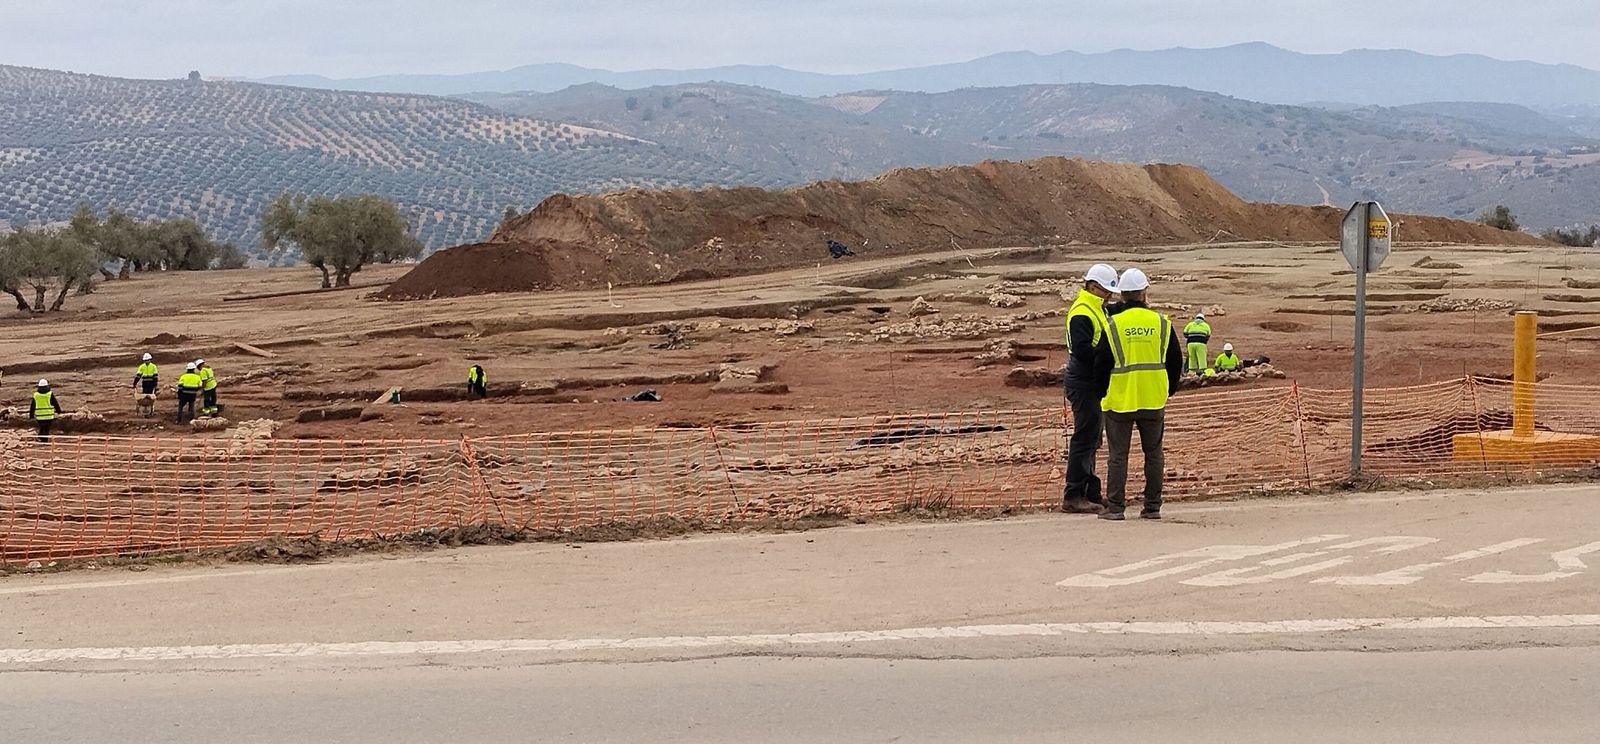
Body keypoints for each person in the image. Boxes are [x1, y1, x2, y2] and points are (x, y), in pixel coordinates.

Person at [1099, 268, 1184, 521]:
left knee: (1118, 456)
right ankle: (1152, 506)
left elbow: (1101, 363)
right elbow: (1176, 362)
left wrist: (1100, 393)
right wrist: (1168, 389)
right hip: (1152, 399)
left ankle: (1115, 507)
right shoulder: (1161, 323)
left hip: (1119, 399)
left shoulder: (1113, 325)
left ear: (1122, 295)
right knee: (1154, 454)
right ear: (1144, 293)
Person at [1062, 263, 1119, 514]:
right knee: (1084, 438)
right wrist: (1106, 357)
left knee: (1093, 437)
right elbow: (1083, 350)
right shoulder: (1082, 312)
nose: (1108, 296)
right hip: (1083, 379)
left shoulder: (1098, 309)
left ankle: (1091, 492)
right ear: (1093, 287)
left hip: (1092, 380)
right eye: (1106, 291)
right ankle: (1073, 494)